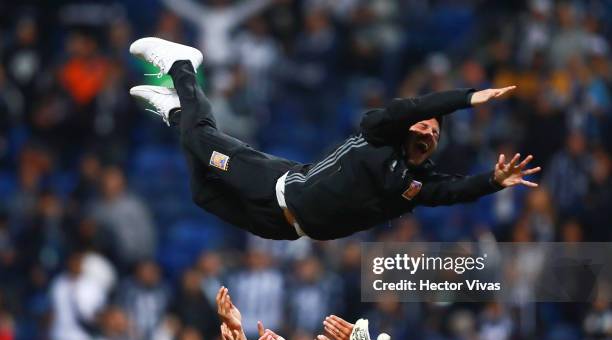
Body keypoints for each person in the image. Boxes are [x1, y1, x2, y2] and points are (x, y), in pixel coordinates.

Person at [129, 37, 541, 241]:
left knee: (203, 194)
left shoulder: (414, 186)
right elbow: (407, 109)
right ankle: (184, 64)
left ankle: (178, 112)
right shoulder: (381, 136)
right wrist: (466, 99)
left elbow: (453, 191)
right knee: (203, 146)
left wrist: (492, 181)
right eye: (424, 124)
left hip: (286, 228)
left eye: (435, 131)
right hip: (272, 184)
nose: (429, 131)